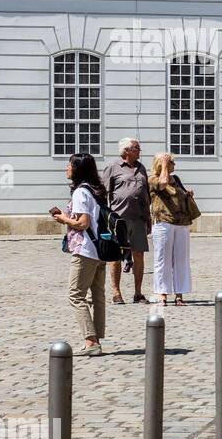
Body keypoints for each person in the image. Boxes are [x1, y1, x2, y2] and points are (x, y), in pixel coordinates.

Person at [50, 153, 108, 356]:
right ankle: (97, 337)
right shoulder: (95, 191)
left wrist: (63, 219)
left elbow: (83, 223)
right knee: (98, 295)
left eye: (69, 165)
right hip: (99, 249)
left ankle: (91, 342)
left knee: (76, 295)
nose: (66, 168)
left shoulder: (80, 193)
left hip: (85, 250)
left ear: (78, 170)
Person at [100, 137, 150, 304]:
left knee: (139, 254)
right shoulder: (113, 167)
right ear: (127, 150)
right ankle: (116, 292)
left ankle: (138, 293)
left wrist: (148, 217)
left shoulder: (141, 168)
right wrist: (105, 218)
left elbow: (146, 194)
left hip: (139, 218)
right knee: (116, 255)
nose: (139, 151)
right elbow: (103, 193)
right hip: (118, 219)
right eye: (137, 147)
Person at [148, 152, 195, 306]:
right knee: (163, 260)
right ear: (162, 164)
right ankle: (162, 294)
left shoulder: (176, 179)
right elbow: (162, 183)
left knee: (181, 260)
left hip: (181, 222)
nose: (174, 164)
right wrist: (163, 165)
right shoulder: (153, 179)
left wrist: (187, 194)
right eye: (171, 162)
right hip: (163, 222)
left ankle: (179, 295)